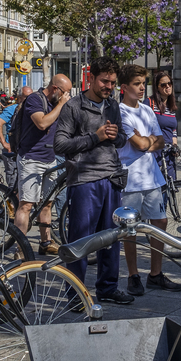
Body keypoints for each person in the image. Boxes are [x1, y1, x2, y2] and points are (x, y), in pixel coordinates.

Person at [54, 57, 133, 304]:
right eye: (104, 81)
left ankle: (108, 288)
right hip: (84, 180)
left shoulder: (113, 106)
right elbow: (60, 144)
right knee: (81, 240)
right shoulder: (73, 107)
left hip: (111, 178)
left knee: (111, 237)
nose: (108, 86)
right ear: (91, 78)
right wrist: (95, 137)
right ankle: (76, 294)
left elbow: (120, 139)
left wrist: (115, 136)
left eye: (112, 82)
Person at [117, 64, 181, 296]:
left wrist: (147, 141)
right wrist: (147, 141)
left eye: (143, 84)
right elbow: (141, 144)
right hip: (131, 178)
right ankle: (133, 275)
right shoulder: (121, 112)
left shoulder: (146, 111)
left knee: (160, 222)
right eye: (137, 84)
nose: (141, 88)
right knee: (130, 228)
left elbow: (160, 141)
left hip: (151, 175)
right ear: (124, 87)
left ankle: (155, 274)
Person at [15, 75, 73, 257]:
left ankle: (45, 242)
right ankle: (21, 248)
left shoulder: (56, 103)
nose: (67, 96)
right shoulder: (35, 99)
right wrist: (61, 104)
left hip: (50, 158)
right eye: (66, 92)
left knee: (47, 204)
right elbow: (42, 123)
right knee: (26, 205)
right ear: (55, 89)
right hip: (31, 159)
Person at [147, 68, 180, 182]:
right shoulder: (149, 103)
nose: (167, 86)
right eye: (163, 85)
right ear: (157, 87)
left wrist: (174, 145)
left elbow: (173, 129)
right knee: (157, 189)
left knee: (170, 187)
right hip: (155, 152)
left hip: (169, 153)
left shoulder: (171, 107)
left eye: (169, 83)